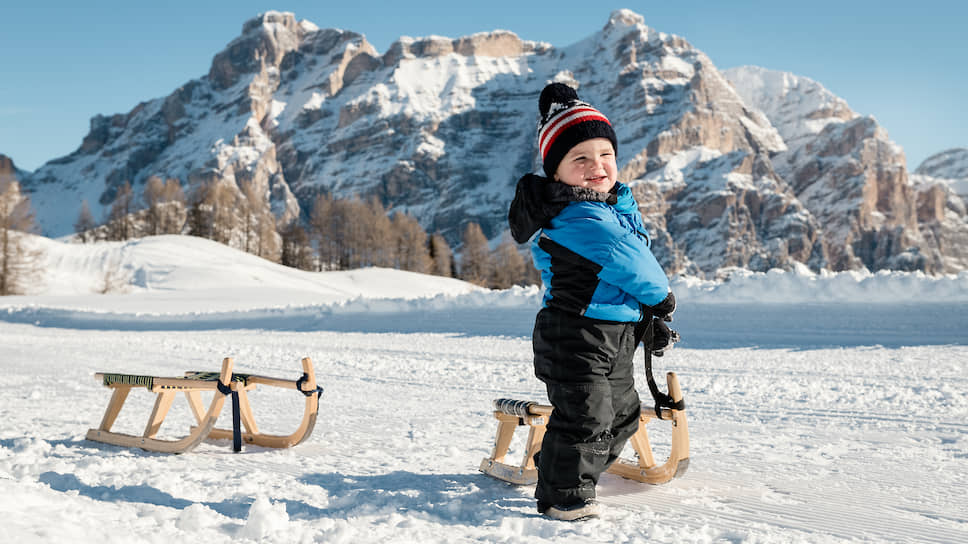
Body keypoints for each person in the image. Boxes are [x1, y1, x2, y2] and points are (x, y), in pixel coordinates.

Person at [507, 82, 676, 521]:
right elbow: (631, 261)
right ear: (557, 173)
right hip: (575, 335)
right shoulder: (579, 217)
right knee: (587, 415)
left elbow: (627, 253)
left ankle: (560, 465)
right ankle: (563, 495)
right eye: (580, 159)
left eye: (606, 156)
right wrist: (661, 302)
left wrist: (643, 317)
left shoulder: (609, 204)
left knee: (622, 414)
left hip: (612, 333)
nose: (597, 166)